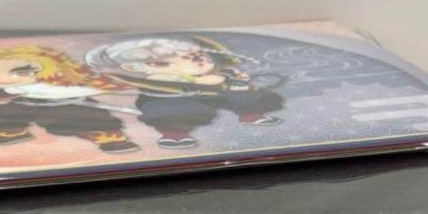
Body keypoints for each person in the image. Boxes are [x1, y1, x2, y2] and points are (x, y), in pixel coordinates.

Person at [0, 45, 138, 153]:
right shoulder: (11, 88)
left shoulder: (66, 81)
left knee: (66, 118)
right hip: (25, 105)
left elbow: (105, 86)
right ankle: (13, 130)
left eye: (22, 71)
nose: (2, 79)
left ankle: (109, 138)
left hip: (72, 104)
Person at [85, 35, 284, 148]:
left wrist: (234, 78)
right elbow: (169, 85)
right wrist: (204, 81)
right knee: (175, 112)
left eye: (199, 55)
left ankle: (251, 114)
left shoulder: (214, 72)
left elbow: (223, 79)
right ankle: (174, 134)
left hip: (213, 92)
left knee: (249, 95)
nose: (198, 60)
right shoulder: (159, 78)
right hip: (173, 99)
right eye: (179, 58)